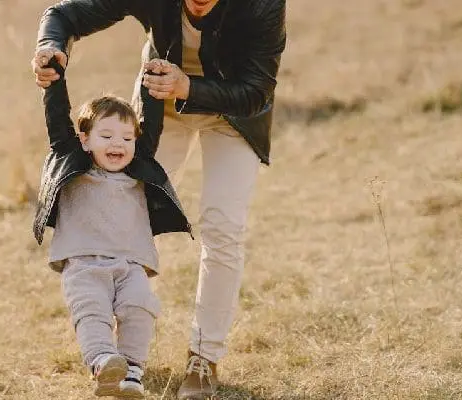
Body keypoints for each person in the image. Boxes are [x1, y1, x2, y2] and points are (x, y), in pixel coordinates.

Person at [31, 1, 287, 398]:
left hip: (234, 112)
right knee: (119, 208)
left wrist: (189, 87)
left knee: (223, 227)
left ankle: (203, 358)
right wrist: (52, 47)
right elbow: (63, 14)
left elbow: (257, 90)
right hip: (159, 108)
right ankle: (110, 352)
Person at [33, 58, 192, 398]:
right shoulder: (72, 161)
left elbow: (152, 123)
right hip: (83, 263)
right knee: (92, 311)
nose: (117, 144)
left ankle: (132, 369)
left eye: (125, 137)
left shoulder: (139, 168)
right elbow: (58, 121)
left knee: (139, 309)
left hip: (131, 263)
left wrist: (154, 80)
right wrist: (53, 80)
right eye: (105, 135)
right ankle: (104, 363)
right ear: (85, 140)